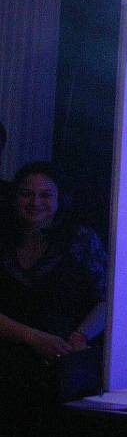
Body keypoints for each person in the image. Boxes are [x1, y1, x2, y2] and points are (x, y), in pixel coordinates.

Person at [1, 162, 108, 410]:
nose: (35, 202)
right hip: (7, 365)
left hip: (65, 367)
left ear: (61, 199)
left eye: (46, 195)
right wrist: (32, 337)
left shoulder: (80, 239)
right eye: (26, 194)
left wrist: (80, 336)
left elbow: (106, 298)